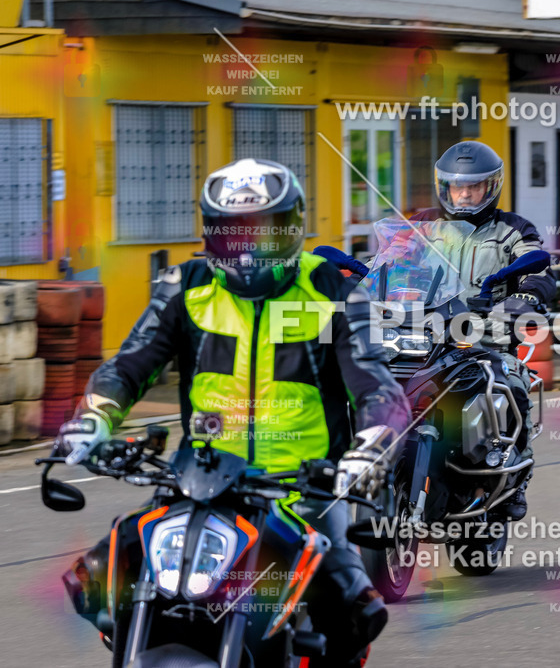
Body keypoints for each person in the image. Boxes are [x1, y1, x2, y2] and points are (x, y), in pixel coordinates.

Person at [55, 158, 411, 667]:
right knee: (96, 577)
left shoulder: (332, 291)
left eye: (262, 231)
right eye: (232, 232)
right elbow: (129, 366)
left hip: (303, 492)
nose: (247, 247)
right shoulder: (184, 286)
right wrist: (93, 418)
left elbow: (374, 382)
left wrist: (372, 446)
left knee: (353, 609)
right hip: (200, 485)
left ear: (292, 228)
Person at [320, 141, 554, 521]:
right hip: (423, 328)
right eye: (457, 186)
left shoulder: (513, 229)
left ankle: (514, 471)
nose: (465, 194)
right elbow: (388, 261)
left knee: (510, 378)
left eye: (474, 186)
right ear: (444, 187)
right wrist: (362, 280)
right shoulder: (421, 225)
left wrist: (525, 298)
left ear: (492, 187)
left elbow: (537, 267)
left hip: (484, 333)